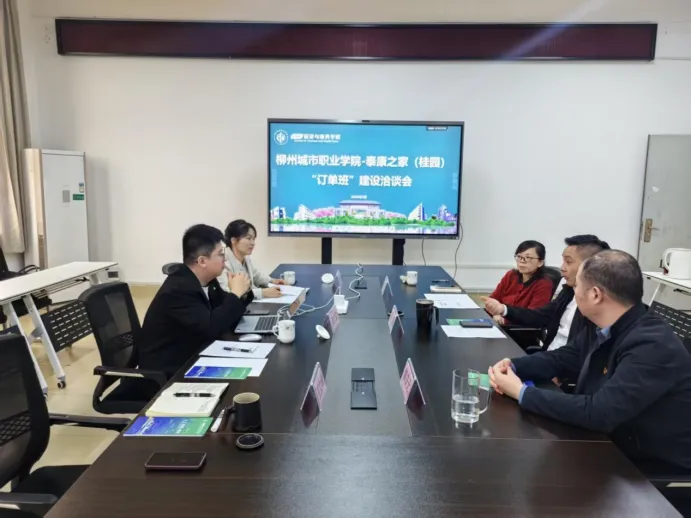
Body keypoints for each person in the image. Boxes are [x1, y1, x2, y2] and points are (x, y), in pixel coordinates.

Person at [488, 250, 691, 470]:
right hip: (605, 439)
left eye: (576, 287)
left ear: (595, 295)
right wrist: (514, 365)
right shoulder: (605, 324)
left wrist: (522, 392)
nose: (573, 293)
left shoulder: (651, 345)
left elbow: (599, 413)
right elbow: (564, 357)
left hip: (645, 461)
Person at [138, 224, 253, 379]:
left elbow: (225, 313)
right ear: (202, 261)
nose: (225, 259)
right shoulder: (179, 290)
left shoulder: (207, 281)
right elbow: (211, 327)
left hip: (194, 354)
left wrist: (242, 292)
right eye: (220, 254)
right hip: (169, 372)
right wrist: (235, 294)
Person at [483, 235, 609, 351]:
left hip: (557, 361)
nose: (562, 268)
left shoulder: (597, 306)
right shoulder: (569, 291)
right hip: (549, 356)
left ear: (590, 267)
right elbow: (540, 315)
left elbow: (578, 354)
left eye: (568, 262)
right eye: (519, 257)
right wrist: (503, 309)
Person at [486, 240, 553, 319]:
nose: (521, 261)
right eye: (519, 257)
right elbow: (494, 299)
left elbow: (532, 317)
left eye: (528, 258)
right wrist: (494, 312)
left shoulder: (544, 284)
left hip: (518, 326)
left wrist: (503, 316)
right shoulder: (511, 275)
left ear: (540, 262)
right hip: (497, 320)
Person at [218, 219, 284, 299]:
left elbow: (256, 275)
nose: (253, 243)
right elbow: (228, 292)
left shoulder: (245, 257)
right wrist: (262, 293)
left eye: (253, 239)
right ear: (233, 240)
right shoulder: (222, 262)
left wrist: (273, 281)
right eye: (248, 238)